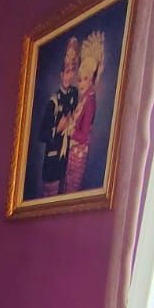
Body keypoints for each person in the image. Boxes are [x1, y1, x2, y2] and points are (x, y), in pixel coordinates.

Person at [36, 37, 79, 197]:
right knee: (50, 198)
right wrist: (58, 128)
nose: (69, 76)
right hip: (53, 160)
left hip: (66, 161)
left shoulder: (74, 94)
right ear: (61, 75)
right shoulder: (53, 102)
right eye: (66, 72)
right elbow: (42, 135)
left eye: (72, 72)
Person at [64, 30, 104, 194]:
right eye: (80, 79)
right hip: (73, 153)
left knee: (71, 191)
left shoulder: (90, 102)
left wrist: (70, 130)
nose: (81, 83)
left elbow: (84, 136)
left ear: (92, 79)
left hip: (78, 156)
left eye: (85, 79)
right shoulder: (84, 99)